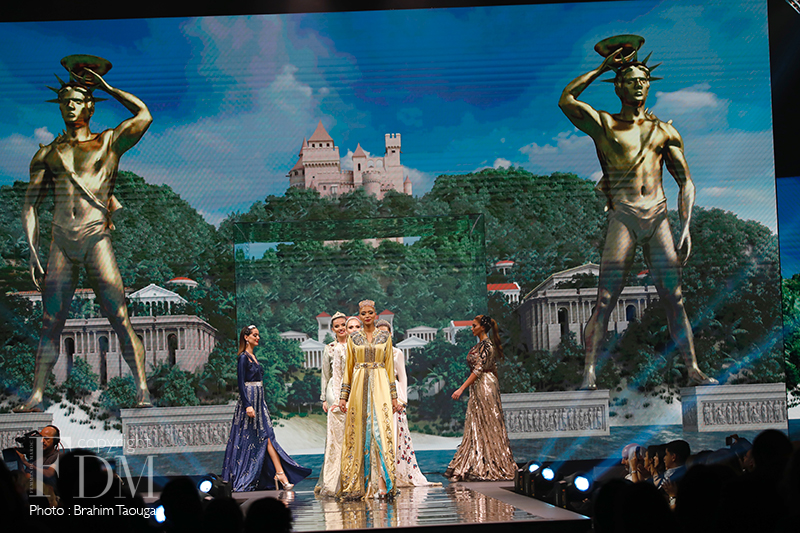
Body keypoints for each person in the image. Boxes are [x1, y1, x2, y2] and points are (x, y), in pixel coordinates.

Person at [558, 35, 718, 390]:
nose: (639, 86)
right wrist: (602, 66)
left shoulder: (664, 131)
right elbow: (566, 100)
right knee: (604, 300)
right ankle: (589, 372)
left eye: (644, 80)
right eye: (631, 81)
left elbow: (686, 182)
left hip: (658, 217)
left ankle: (693, 368)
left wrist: (686, 227)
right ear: (618, 86)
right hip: (624, 216)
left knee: (675, 298)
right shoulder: (604, 125)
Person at [17, 55, 152, 411]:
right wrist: (32, 250)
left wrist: (108, 87)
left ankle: (142, 389)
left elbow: (144, 116)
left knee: (119, 316)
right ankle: (37, 393)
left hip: (95, 236)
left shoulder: (108, 143)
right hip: (61, 239)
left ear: (90, 106)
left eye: (77, 101)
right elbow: (30, 205)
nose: (70, 107)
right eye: (65, 102)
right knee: (50, 322)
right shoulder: (48, 155)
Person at [222, 325, 310, 492]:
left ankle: (280, 474)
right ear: (246, 337)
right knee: (254, 438)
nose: (258, 338)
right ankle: (278, 474)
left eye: (258, 335)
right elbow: (240, 383)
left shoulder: (253, 357)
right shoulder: (243, 358)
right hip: (250, 400)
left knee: (268, 436)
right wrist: (247, 405)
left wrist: (258, 403)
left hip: (259, 400)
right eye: (255, 335)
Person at [337, 300, 401, 500]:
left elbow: (390, 368)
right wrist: (343, 397)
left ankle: (384, 483)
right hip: (359, 386)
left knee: (381, 430)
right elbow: (348, 368)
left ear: (375, 314)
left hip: (381, 385)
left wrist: (394, 397)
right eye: (363, 313)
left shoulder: (384, 337)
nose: (366, 316)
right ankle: (360, 483)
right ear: (359, 315)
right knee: (359, 431)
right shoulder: (354, 338)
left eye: (370, 312)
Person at [445, 315, 516, 481]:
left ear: (482, 327)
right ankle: (477, 460)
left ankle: (492, 463)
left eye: (474, 326)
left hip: (485, 385)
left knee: (487, 422)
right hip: (480, 386)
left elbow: (479, 369)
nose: (471, 328)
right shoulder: (481, 345)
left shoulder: (487, 346)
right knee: (477, 423)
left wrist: (461, 388)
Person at [376, 319, 434, 487]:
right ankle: (380, 474)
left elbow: (402, 377)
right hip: (378, 393)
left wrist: (402, 400)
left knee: (394, 433)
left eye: (385, 332)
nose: (383, 335)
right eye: (379, 333)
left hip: (394, 394)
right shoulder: (373, 353)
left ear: (391, 333)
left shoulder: (397, 353)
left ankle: (394, 472)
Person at [315, 312, 349, 496]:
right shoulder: (329, 348)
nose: (341, 328)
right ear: (332, 329)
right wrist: (324, 398)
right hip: (333, 391)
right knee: (335, 435)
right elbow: (325, 374)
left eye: (343, 324)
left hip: (352, 389)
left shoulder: (354, 345)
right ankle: (332, 478)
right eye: (337, 326)